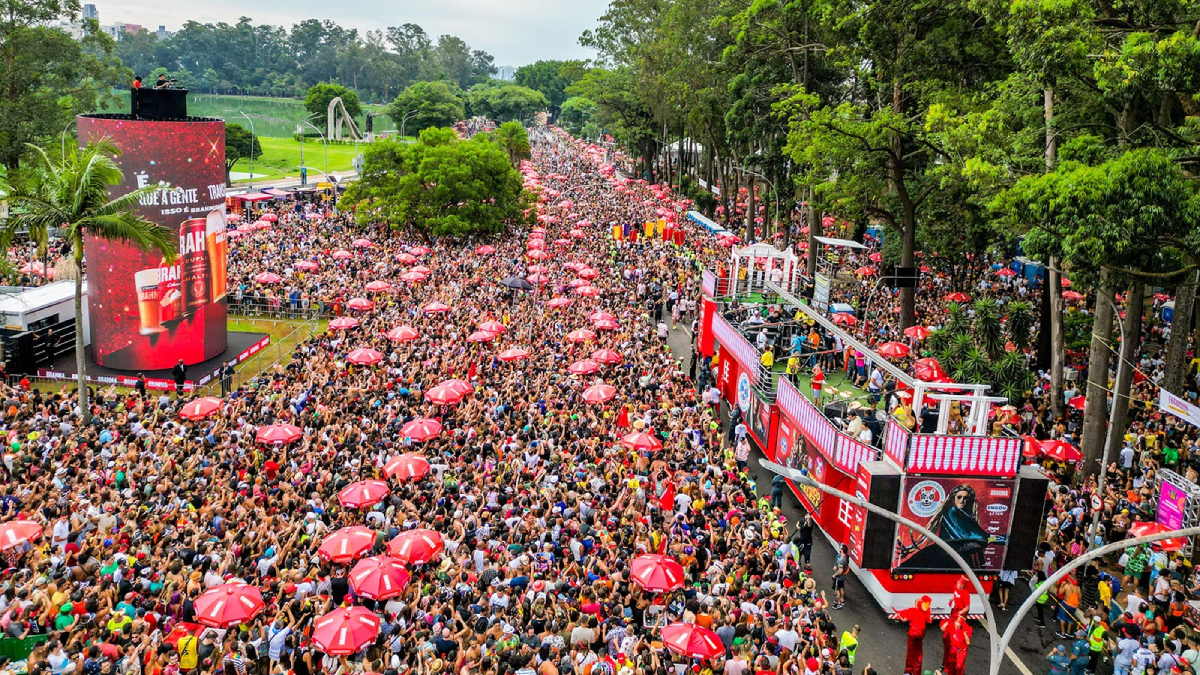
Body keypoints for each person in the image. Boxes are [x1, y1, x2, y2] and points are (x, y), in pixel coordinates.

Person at [832, 544, 849, 609]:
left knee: (837, 590)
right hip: (842, 577)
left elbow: (840, 571)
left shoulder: (841, 560)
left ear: (842, 550)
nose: (839, 548)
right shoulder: (846, 557)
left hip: (839, 577)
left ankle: (838, 603)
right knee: (841, 587)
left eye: (840, 548)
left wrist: (834, 575)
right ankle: (842, 599)